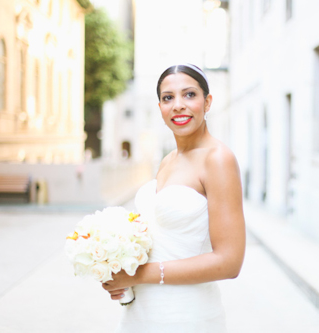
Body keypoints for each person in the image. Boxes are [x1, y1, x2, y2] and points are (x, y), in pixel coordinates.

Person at [102, 63, 246, 332]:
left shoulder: (218, 160)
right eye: (168, 98)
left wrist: (139, 274)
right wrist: (122, 274)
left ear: (208, 102)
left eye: (189, 94)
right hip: (140, 314)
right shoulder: (167, 161)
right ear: (160, 108)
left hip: (186, 316)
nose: (178, 105)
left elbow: (230, 261)